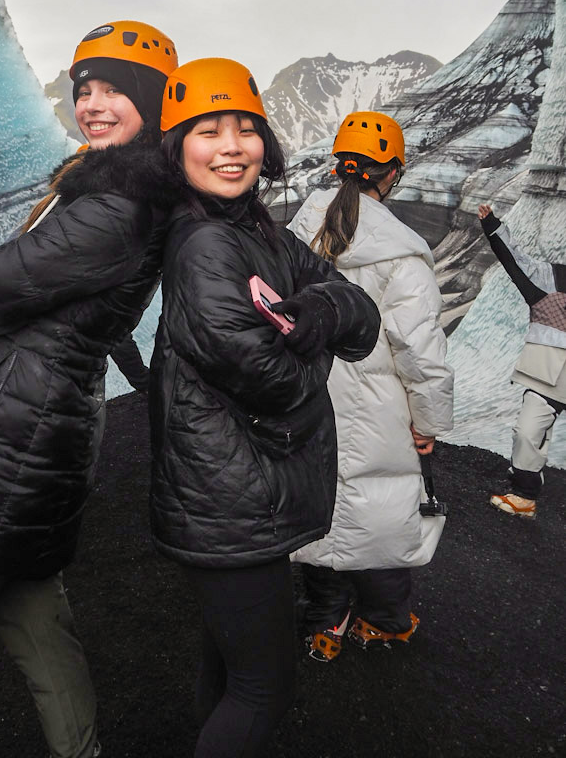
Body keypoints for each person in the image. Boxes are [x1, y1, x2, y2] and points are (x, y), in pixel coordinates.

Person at [0, 21, 180, 758]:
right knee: (36, 625)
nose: (94, 104)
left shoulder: (114, 208)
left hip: (12, 437)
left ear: (150, 100)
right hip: (37, 426)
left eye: (115, 90)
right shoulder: (109, 189)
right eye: (85, 90)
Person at [149, 59, 380, 758]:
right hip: (228, 497)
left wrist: (311, 310)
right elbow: (276, 381)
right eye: (208, 130)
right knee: (265, 686)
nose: (232, 146)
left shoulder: (259, 231)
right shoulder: (206, 244)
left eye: (246, 128)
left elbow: (361, 315)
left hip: (242, 490)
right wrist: (316, 336)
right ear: (177, 147)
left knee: (229, 666)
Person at [290, 111, 454, 659]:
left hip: (307, 397)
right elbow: (419, 349)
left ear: (341, 167)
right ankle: (384, 619)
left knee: (320, 506)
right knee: (381, 509)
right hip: (379, 407)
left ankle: (325, 621)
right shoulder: (402, 253)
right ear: (392, 174)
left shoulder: (298, 235)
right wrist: (428, 423)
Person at [478, 203, 566, 518]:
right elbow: (516, 260)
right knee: (527, 433)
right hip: (548, 376)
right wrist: (493, 227)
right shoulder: (550, 279)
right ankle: (525, 495)